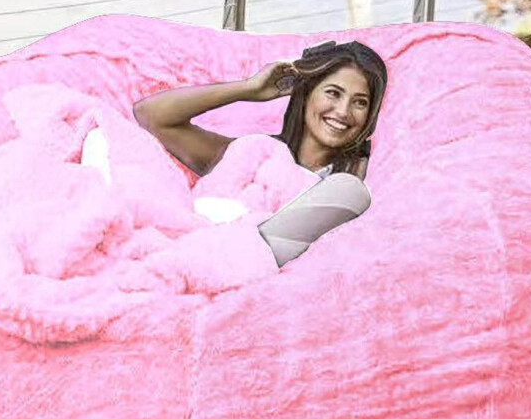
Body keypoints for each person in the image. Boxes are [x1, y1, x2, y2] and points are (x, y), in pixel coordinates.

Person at [133, 39, 388, 267]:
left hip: (263, 281)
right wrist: (248, 89)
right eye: (333, 93)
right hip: (199, 260)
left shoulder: (367, 178)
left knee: (349, 190)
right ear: (306, 93)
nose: (343, 111)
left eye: (360, 102)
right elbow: (151, 115)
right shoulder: (249, 158)